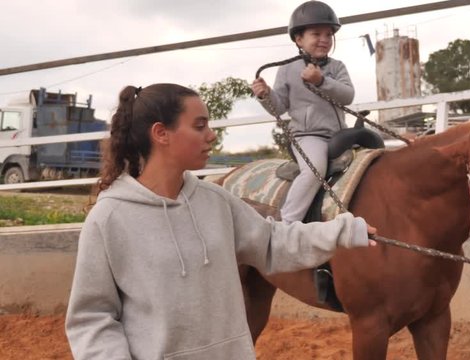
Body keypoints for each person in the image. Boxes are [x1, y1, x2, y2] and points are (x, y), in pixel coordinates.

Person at [65, 83, 375, 359]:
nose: (211, 135)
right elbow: (92, 317)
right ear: (161, 134)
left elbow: (273, 243)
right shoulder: (109, 219)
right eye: (199, 126)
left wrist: (344, 230)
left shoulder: (216, 201)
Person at [252, 1, 354, 224]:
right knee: (313, 169)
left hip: (340, 135)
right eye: (316, 34)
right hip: (309, 136)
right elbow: (279, 107)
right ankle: (285, 226)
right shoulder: (288, 69)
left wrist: (322, 81)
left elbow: (347, 96)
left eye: (329, 34)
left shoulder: (337, 67)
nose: (324, 39)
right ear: (299, 39)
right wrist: (265, 95)